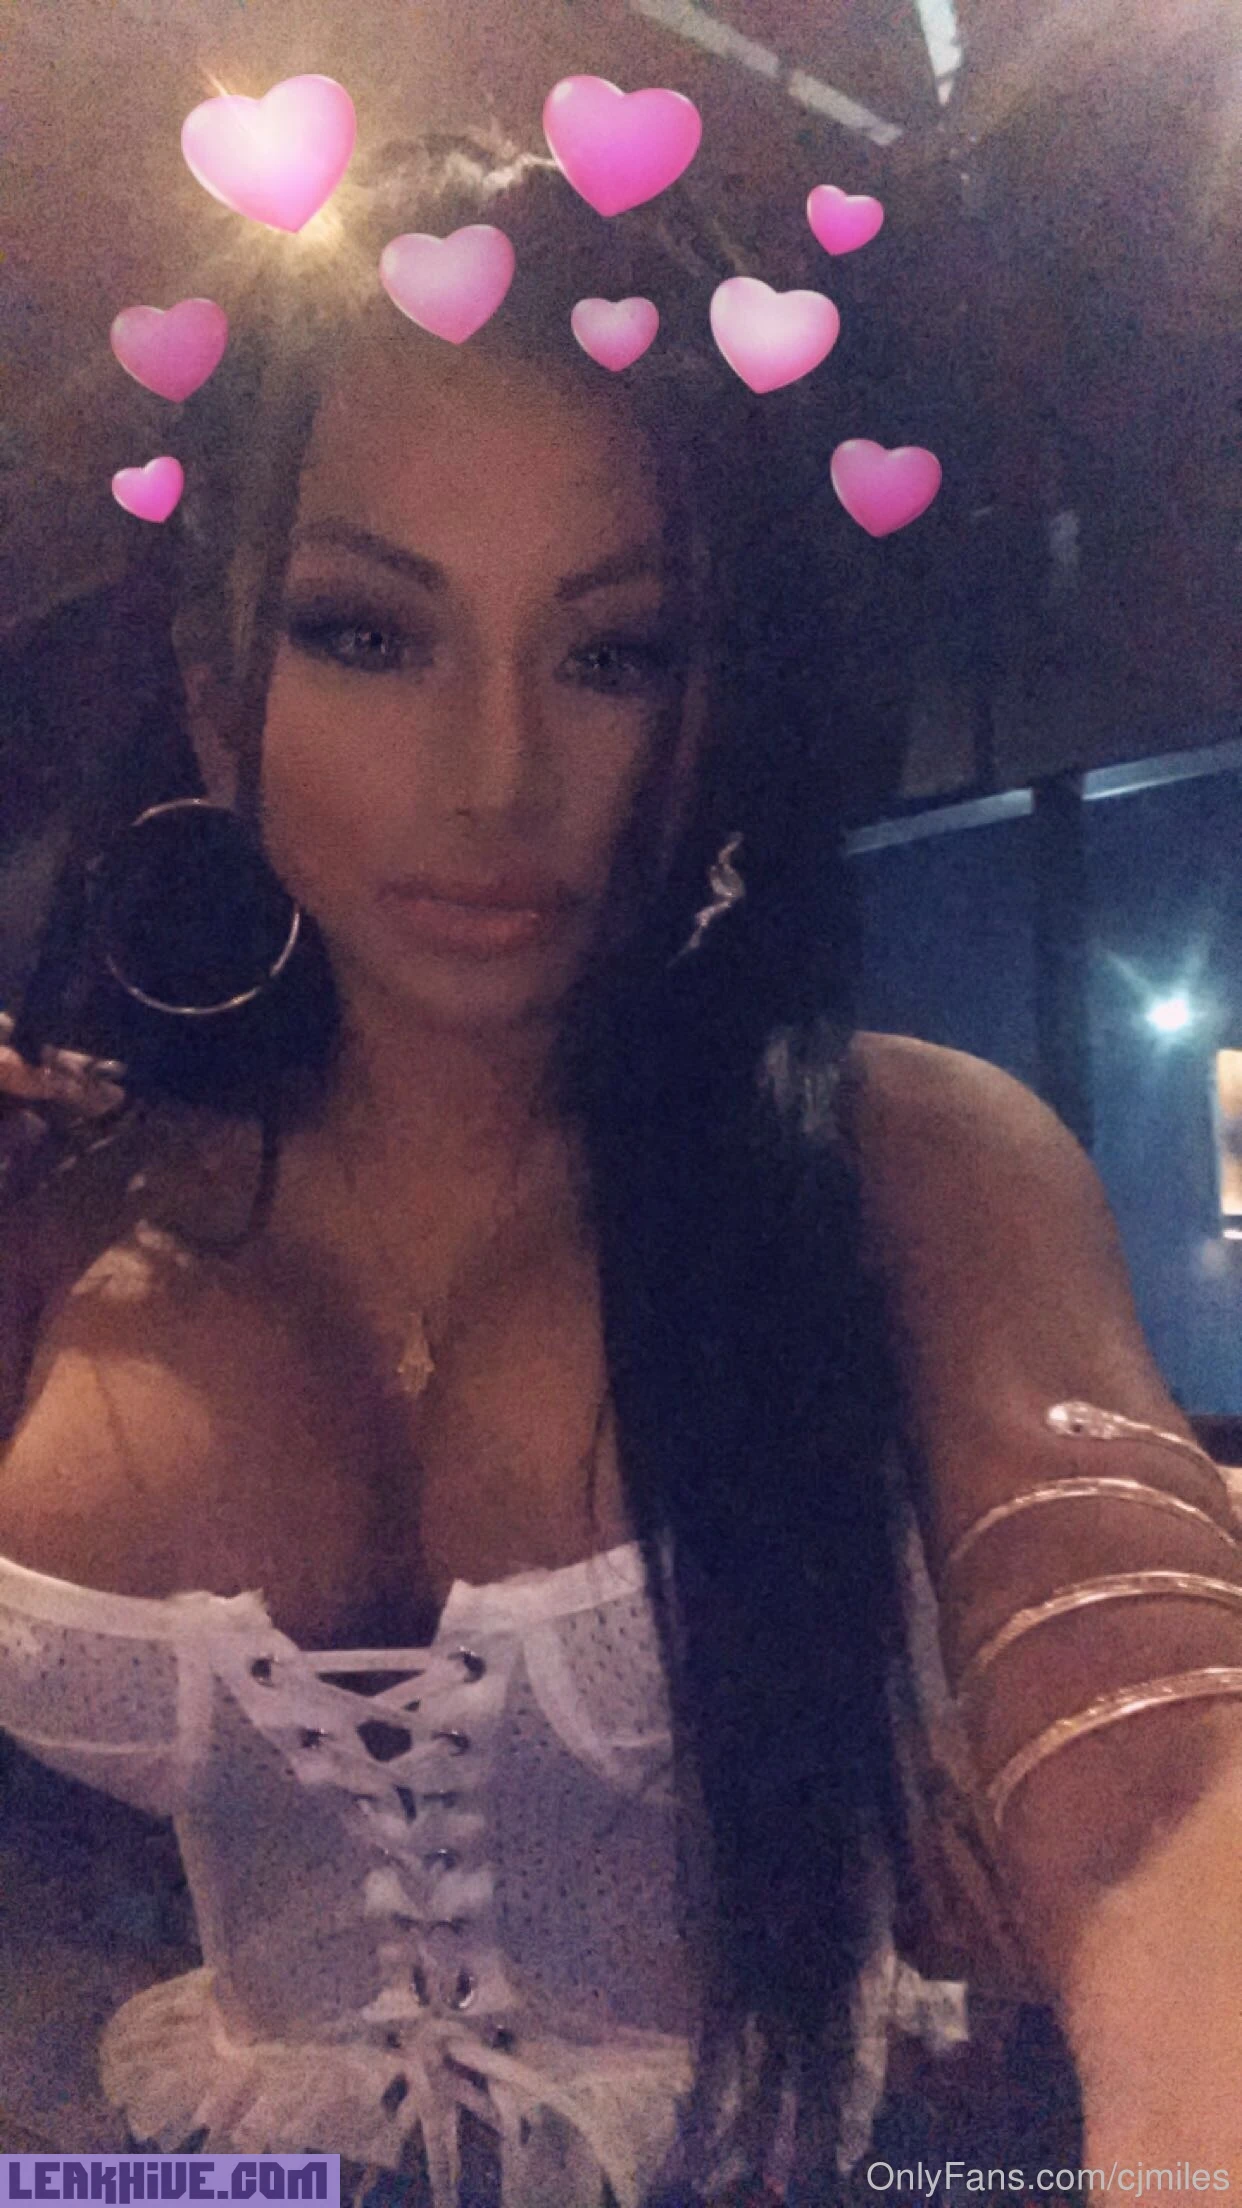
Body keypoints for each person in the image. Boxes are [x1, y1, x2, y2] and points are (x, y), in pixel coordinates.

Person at [1, 131, 1241, 2208]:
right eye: (367, 634)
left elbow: (1151, 1741)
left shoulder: (903, 1162)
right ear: (215, 703)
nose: (493, 775)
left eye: (613, 652)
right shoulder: (67, 1210)